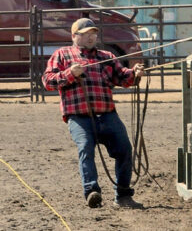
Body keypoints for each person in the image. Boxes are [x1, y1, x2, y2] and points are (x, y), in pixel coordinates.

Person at [42, 18, 145, 209]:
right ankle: (92, 191)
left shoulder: (106, 56)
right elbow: (47, 81)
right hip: (78, 116)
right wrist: (70, 74)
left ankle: (123, 195)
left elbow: (122, 77)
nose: (91, 37)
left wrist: (134, 73)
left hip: (106, 113)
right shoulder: (62, 55)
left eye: (93, 34)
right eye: (86, 34)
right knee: (86, 147)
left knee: (124, 149)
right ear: (75, 36)